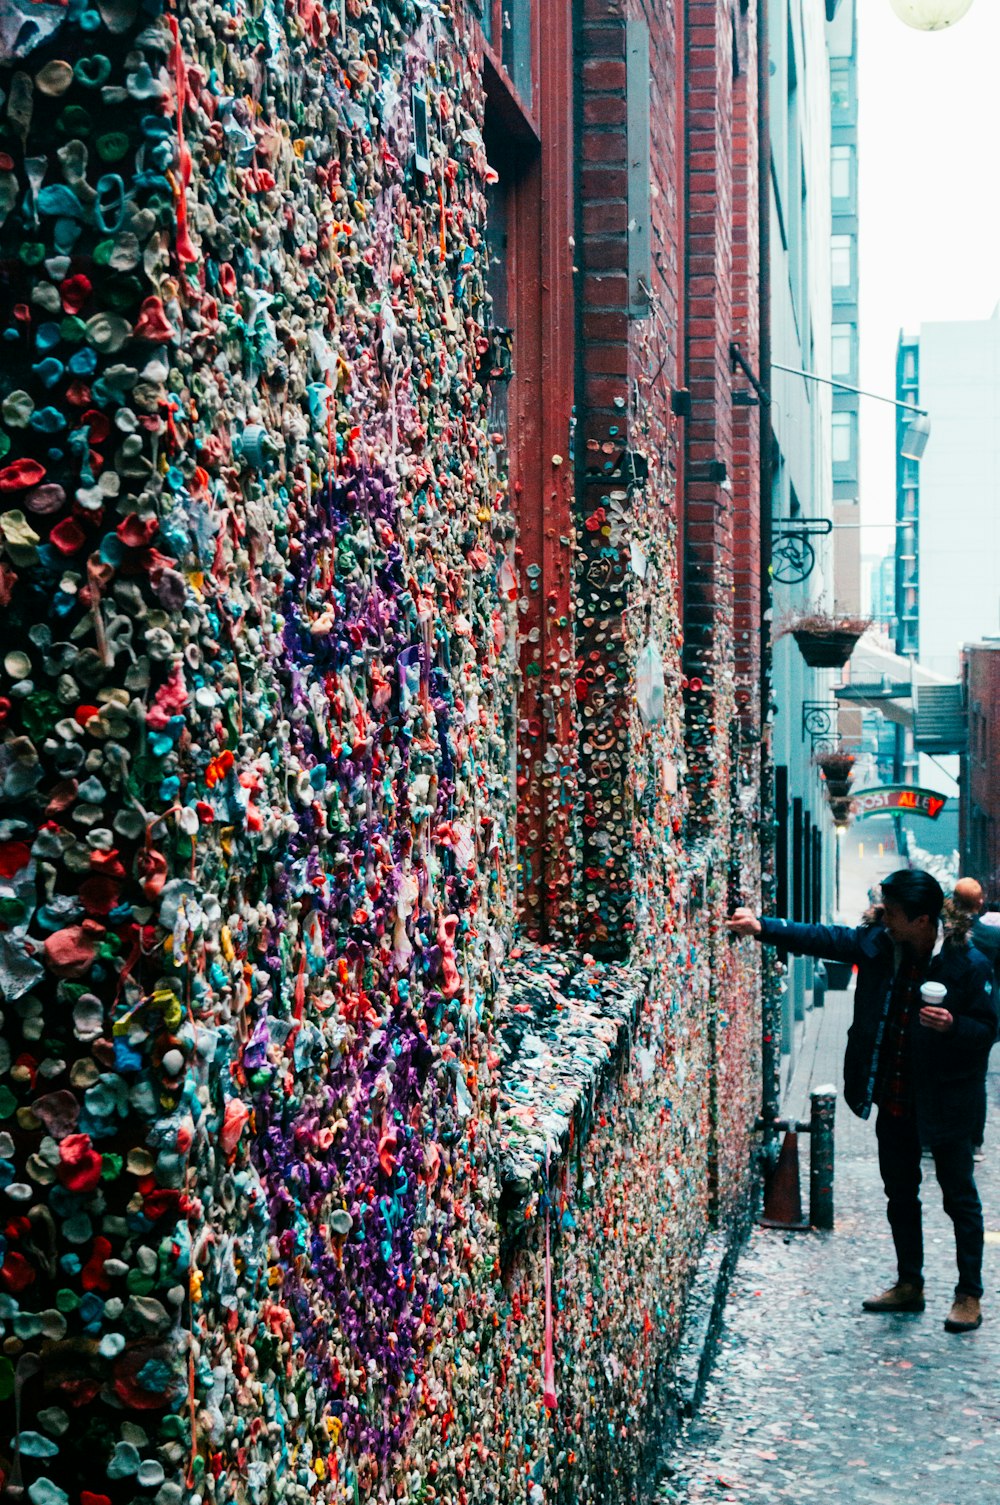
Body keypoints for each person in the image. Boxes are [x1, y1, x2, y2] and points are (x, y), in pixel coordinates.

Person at [728, 869, 997, 1334]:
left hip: (946, 1102)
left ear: (922, 919)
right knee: (900, 1194)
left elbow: (987, 1030)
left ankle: (968, 1294)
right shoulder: (879, 944)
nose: (886, 921)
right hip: (893, 1097)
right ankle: (910, 1283)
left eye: (893, 914)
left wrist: (953, 1025)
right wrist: (763, 927)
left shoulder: (966, 964)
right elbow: (827, 939)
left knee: (959, 1199)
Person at [952, 876, 1000, 1161]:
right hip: (984, 1016)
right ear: (980, 903)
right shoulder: (992, 938)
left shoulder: (947, 934)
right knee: (976, 1079)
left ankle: (948, 1135)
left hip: (952, 1015)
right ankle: (975, 1141)